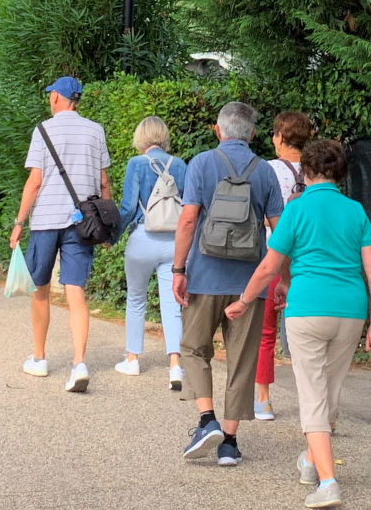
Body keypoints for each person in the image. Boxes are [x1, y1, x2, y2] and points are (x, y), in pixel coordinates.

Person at [227, 138, 371, 509]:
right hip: (351, 310)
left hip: (307, 308)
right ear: (340, 173)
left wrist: (245, 300)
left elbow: (270, 265)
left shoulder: (296, 210)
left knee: (313, 395)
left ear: (306, 172)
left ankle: (329, 483)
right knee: (331, 389)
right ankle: (311, 462)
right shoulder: (355, 211)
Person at [173, 100, 286, 466]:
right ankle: (230, 444)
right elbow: (277, 230)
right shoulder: (265, 172)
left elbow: (189, 221)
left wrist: (179, 269)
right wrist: (280, 279)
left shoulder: (202, 163)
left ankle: (207, 420)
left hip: (204, 276)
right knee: (242, 360)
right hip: (249, 284)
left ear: (217, 130)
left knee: (192, 348)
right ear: (253, 133)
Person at [9, 76, 112, 393]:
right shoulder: (96, 131)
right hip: (81, 223)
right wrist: (106, 228)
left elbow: (35, 182)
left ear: (56, 98)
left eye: (50, 95)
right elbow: (104, 182)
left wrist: (18, 221)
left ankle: (39, 359)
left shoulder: (42, 130)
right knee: (75, 290)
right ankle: (79, 363)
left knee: (40, 288)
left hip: (45, 222)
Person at [115, 115, 188, 390]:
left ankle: (132, 359)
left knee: (135, 298)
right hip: (174, 241)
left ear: (140, 137)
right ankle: (175, 366)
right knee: (172, 303)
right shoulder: (179, 165)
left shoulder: (135, 164)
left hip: (143, 238)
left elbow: (127, 207)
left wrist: (113, 236)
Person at [252, 110, 314, 421]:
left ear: (279, 137)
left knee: (265, 332)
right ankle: (314, 402)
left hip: (272, 257)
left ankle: (263, 399)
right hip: (308, 261)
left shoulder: (267, 169)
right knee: (308, 334)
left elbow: (259, 213)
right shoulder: (318, 171)